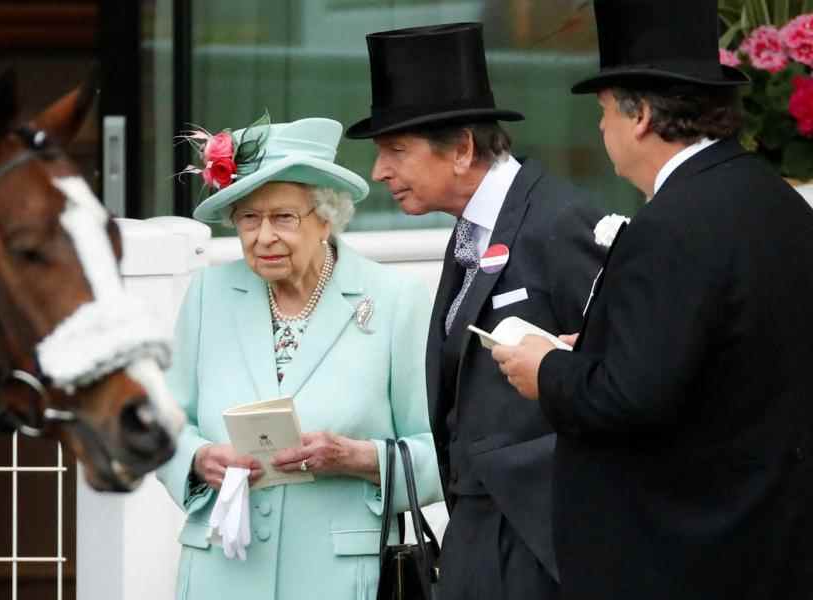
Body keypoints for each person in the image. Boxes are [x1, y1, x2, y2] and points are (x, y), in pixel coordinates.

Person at [490, 1, 813, 598]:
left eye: (603, 110)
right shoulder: (776, 200)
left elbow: (631, 397)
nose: (600, 127)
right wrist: (598, 349)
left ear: (639, 116)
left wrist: (549, 371)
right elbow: (716, 351)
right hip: (765, 543)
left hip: (682, 555)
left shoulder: (674, 223)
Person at [345, 22, 605, 600]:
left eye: (396, 151)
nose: (379, 171)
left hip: (540, 538)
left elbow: (614, 377)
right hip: (477, 535)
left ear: (462, 148)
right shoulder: (472, 229)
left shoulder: (558, 221)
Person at [156, 116, 442, 599]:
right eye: (249, 218)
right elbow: (164, 427)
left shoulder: (395, 301)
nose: (264, 236)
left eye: (283, 218)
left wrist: (358, 457)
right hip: (221, 577)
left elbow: (442, 450)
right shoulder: (209, 294)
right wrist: (198, 459)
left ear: (327, 217)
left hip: (338, 579)